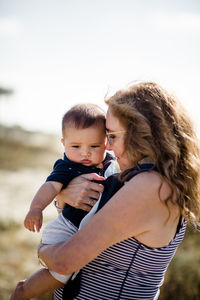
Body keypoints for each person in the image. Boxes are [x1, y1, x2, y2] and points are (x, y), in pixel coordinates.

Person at [11, 81, 200, 300]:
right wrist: (63, 197)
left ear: (141, 133)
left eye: (112, 136)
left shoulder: (151, 186)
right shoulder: (151, 179)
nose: (107, 146)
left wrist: (43, 249)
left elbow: (65, 260)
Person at [11, 103, 117, 299]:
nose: (85, 152)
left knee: (70, 274)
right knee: (61, 275)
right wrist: (36, 208)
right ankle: (24, 292)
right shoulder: (67, 166)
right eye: (76, 146)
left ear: (106, 143)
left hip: (83, 229)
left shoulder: (110, 163)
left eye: (94, 146)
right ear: (63, 143)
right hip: (66, 228)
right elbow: (50, 187)